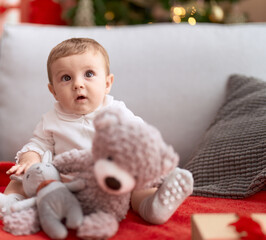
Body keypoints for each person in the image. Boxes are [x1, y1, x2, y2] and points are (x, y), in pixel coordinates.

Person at [0, 38, 193, 224]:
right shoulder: (50, 119)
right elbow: (38, 144)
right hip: (64, 187)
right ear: (54, 91)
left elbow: (140, 137)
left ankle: (152, 207)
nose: (78, 84)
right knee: (19, 180)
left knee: (141, 186)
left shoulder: (117, 112)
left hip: (113, 185)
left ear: (107, 83)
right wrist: (29, 159)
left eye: (89, 74)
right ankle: (8, 203)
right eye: (66, 78)